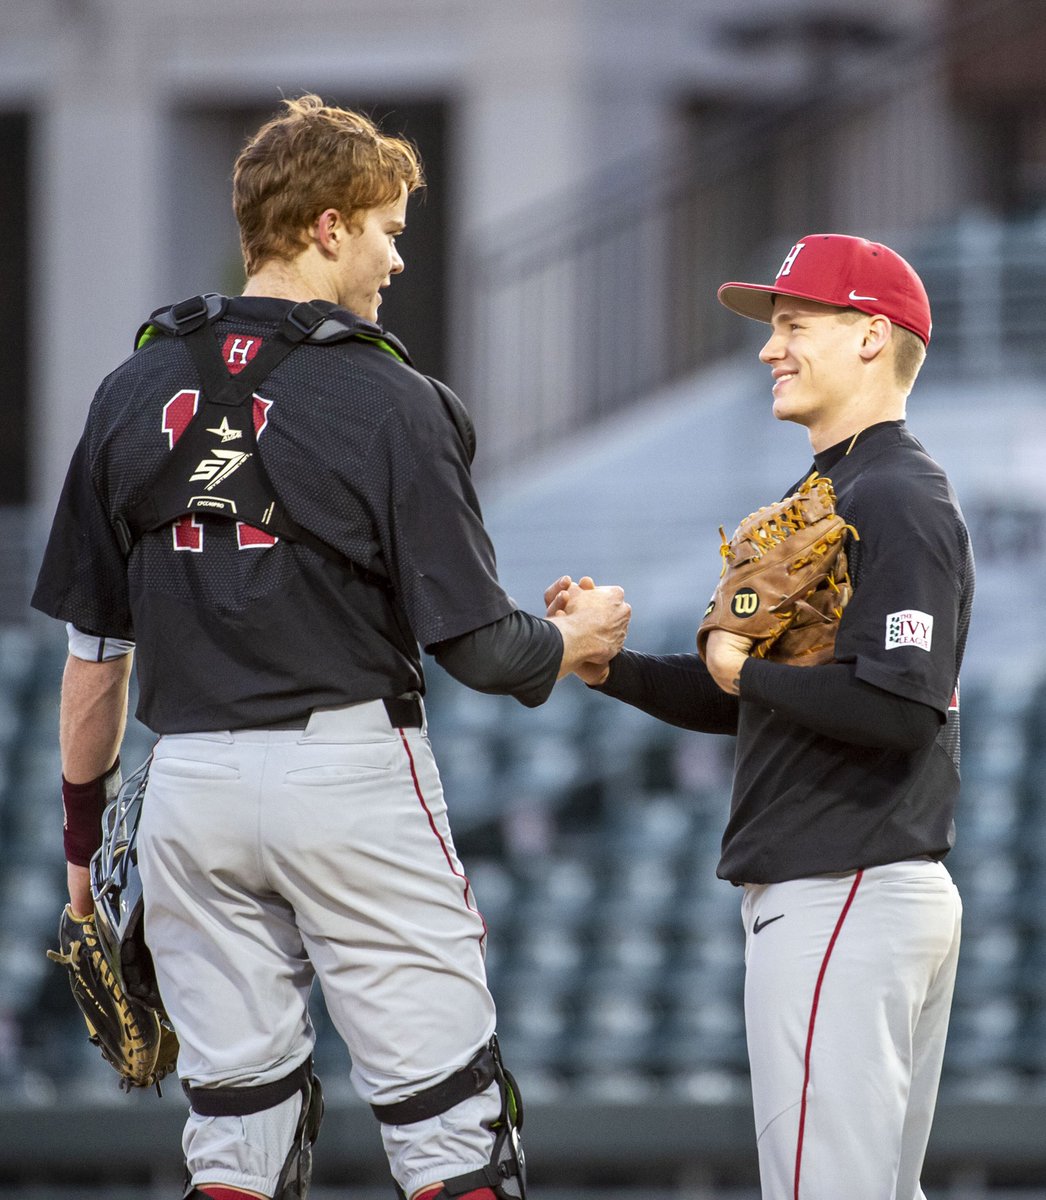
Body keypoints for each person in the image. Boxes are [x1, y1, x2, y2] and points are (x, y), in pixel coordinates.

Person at [31, 93, 631, 1200]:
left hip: (189, 791)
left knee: (238, 1134)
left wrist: (80, 860)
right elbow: (486, 651)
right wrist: (577, 636)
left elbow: (91, 667)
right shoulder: (392, 397)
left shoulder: (126, 392)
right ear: (327, 226)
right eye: (389, 227)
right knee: (452, 1128)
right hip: (345, 773)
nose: (398, 256)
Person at [548, 234, 973, 1200]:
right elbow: (747, 697)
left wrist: (748, 675)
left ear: (871, 336)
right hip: (855, 887)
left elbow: (901, 705)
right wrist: (609, 667)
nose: (768, 348)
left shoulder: (896, 495)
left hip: (844, 884)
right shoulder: (832, 489)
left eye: (793, 325)